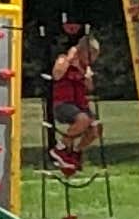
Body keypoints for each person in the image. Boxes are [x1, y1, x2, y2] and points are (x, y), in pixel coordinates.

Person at [45, 20, 105, 175]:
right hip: (63, 103)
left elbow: (90, 87)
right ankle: (60, 148)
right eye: (91, 56)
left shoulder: (85, 68)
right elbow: (57, 75)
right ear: (82, 52)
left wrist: (85, 74)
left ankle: (76, 152)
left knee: (96, 128)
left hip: (80, 105)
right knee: (83, 120)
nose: (92, 60)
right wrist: (70, 60)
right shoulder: (63, 59)